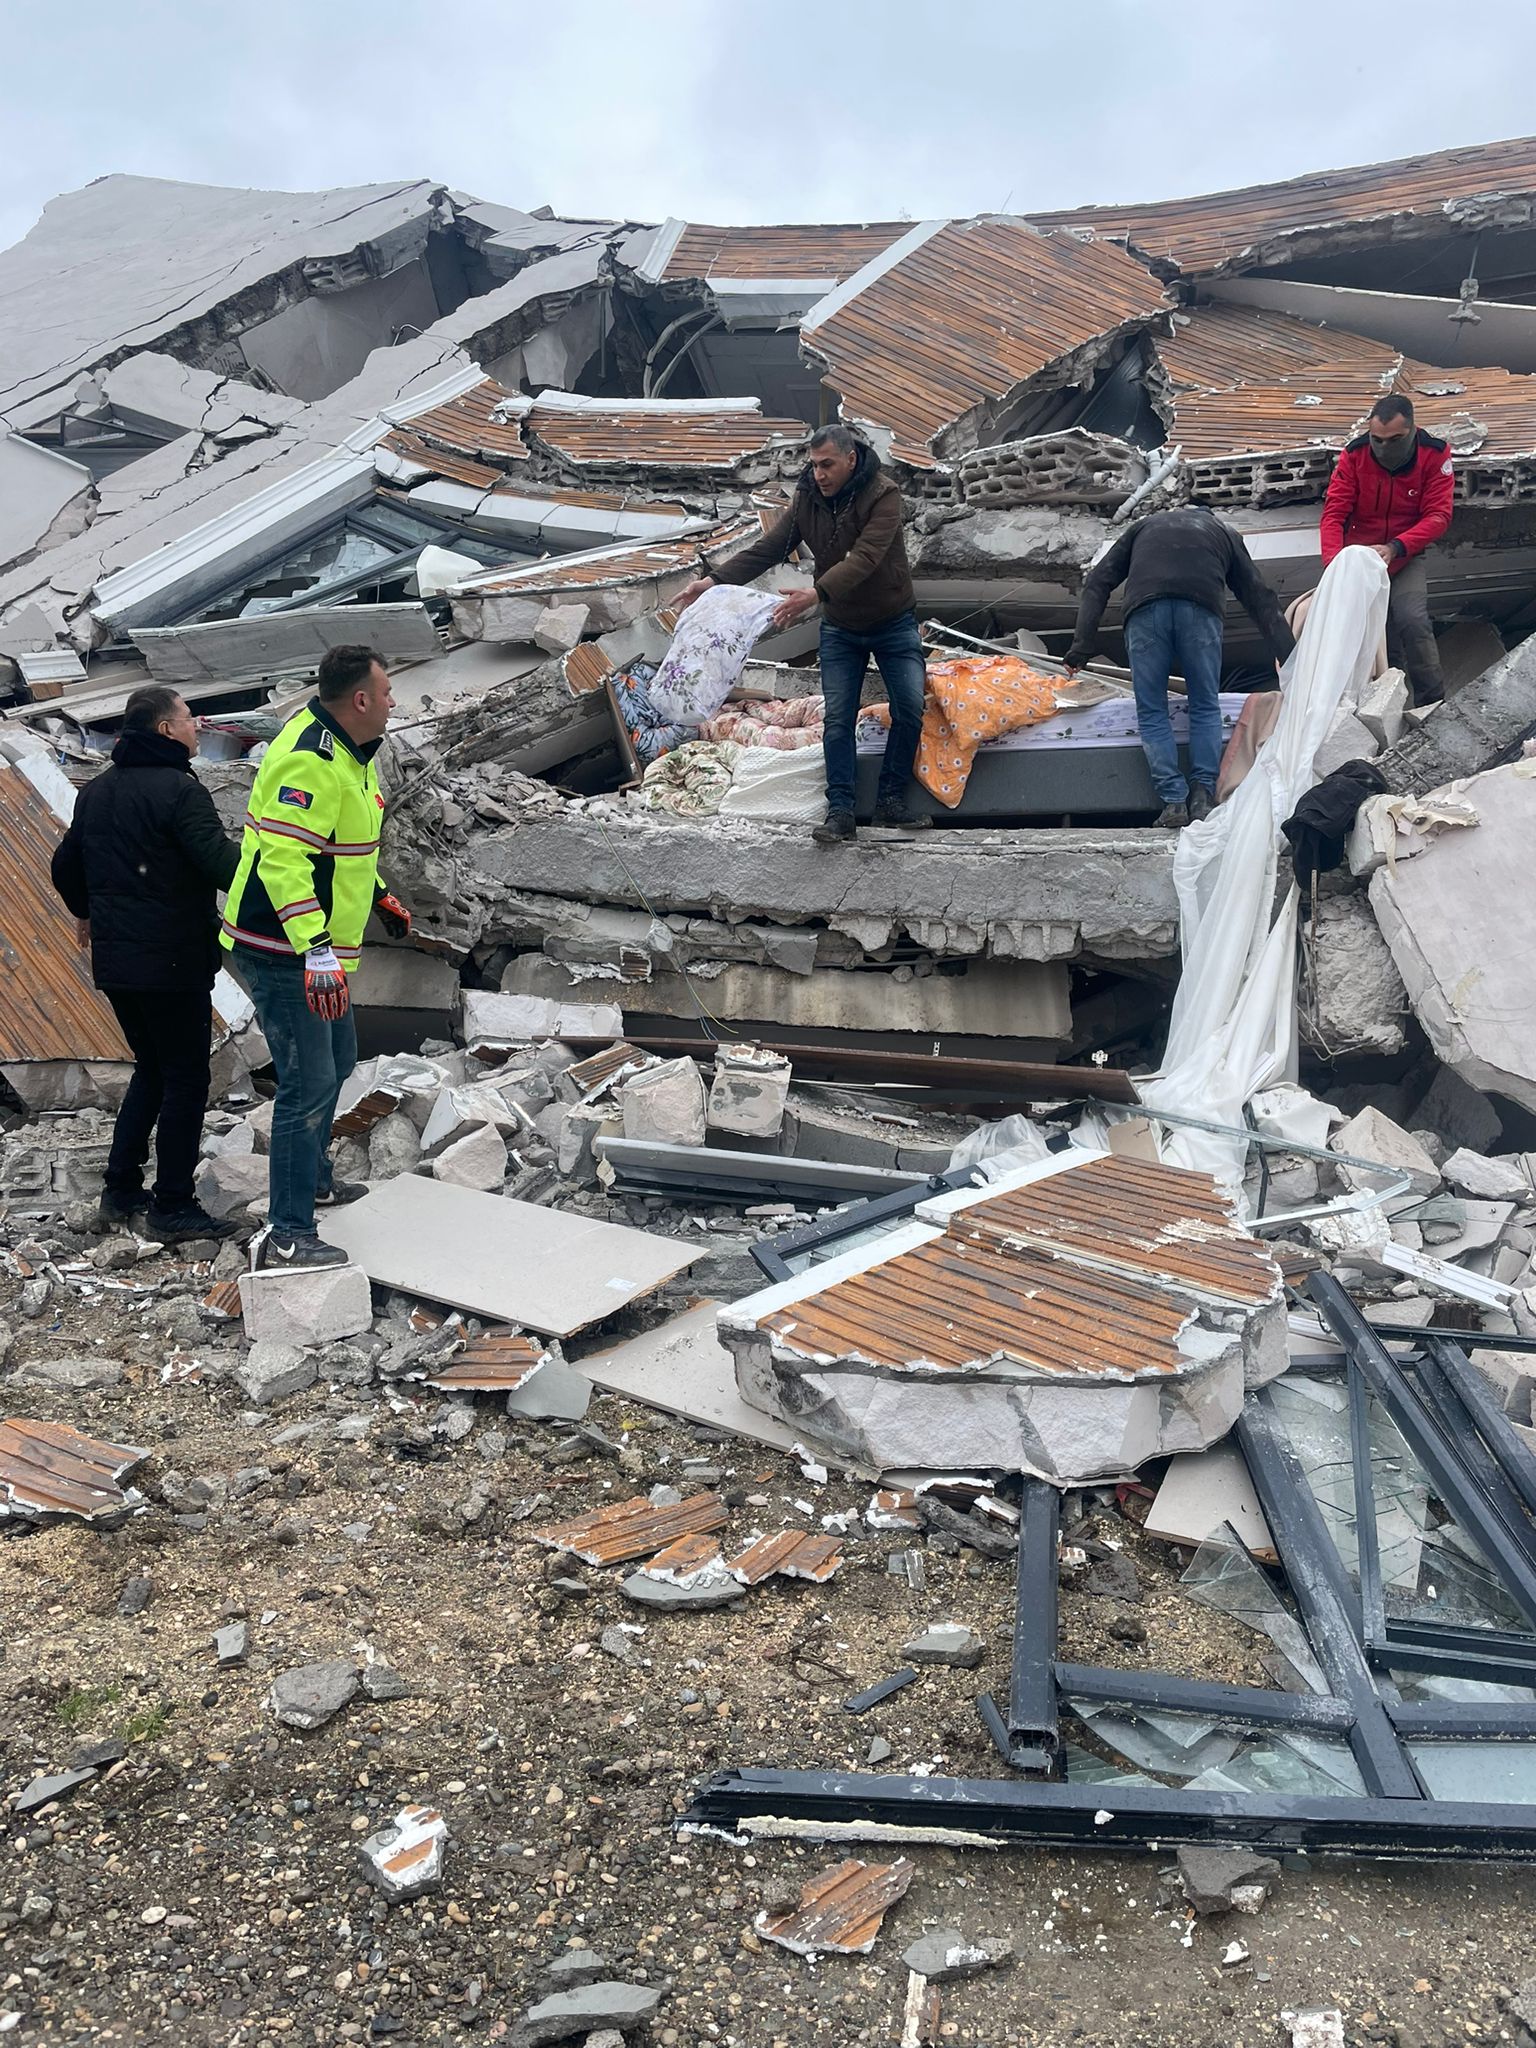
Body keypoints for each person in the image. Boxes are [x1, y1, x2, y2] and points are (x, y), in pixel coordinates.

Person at [221, 645, 412, 1271]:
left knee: (340, 1061)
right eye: (386, 694)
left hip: (309, 949)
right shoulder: (310, 761)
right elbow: (283, 863)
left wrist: (378, 894)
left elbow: (341, 849)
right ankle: (287, 1232)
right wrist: (318, 950)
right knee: (307, 1083)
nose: (392, 703)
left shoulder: (349, 750)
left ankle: (316, 1180)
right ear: (360, 700)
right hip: (282, 949)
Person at [673, 423, 927, 845]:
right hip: (841, 626)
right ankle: (841, 812)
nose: (820, 473)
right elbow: (769, 548)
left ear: (851, 459)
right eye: (814, 465)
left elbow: (865, 558)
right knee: (838, 720)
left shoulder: (883, 495)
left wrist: (815, 593)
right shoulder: (808, 495)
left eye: (828, 465)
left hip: (892, 621)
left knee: (910, 710)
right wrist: (712, 581)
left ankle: (890, 803)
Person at [50, 685, 241, 1243]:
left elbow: (65, 866)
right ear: (164, 730)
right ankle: (174, 1206)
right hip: (172, 959)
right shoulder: (181, 792)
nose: (197, 726)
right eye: (188, 719)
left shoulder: (98, 791)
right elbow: (221, 866)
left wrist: (87, 912)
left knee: (152, 1069)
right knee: (185, 1077)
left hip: (118, 960)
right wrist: (270, 861)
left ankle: (121, 1189)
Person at [1063, 503, 1295, 829]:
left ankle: (1173, 801)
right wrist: (1291, 657)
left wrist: (1081, 645)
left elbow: (1098, 580)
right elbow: (1261, 597)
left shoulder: (1143, 526)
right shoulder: (1224, 533)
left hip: (1145, 614)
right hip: (1200, 612)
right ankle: (1201, 796)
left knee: (1152, 709)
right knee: (1203, 704)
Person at [1320, 394, 1452, 705]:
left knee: (1412, 620)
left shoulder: (1434, 455)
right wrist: (1334, 567)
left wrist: (1397, 547)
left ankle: (1433, 703)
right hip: (1359, 561)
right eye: (1377, 440)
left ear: (1412, 430)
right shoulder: (1355, 455)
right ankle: (1383, 707)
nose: (1383, 447)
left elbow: (1439, 515)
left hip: (1404, 554)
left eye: (1394, 439)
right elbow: (1334, 514)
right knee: (1378, 637)